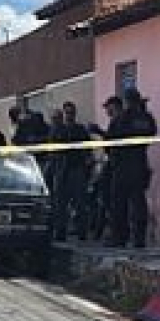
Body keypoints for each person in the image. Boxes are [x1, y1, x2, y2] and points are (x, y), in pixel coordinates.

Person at [107, 89, 156, 248]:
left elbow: (110, 143)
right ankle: (138, 240)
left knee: (119, 205)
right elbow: (151, 134)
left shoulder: (120, 118)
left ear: (126, 101)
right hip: (140, 163)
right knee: (139, 203)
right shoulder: (147, 118)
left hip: (122, 167)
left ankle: (119, 239)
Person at [48, 103, 95, 242]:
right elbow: (52, 149)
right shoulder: (57, 129)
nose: (69, 116)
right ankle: (61, 232)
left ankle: (82, 232)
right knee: (60, 203)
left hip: (76, 168)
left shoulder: (80, 129)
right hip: (62, 169)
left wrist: (87, 164)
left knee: (80, 203)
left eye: (71, 113)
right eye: (67, 113)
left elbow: (88, 149)